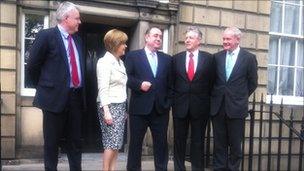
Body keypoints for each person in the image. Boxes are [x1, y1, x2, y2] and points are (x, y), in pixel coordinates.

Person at [27, 1, 84, 171]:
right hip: (53, 99)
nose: (80, 22)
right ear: (66, 18)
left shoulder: (78, 40)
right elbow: (32, 66)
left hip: (75, 98)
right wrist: (46, 88)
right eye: (77, 18)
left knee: (75, 143)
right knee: (52, 144)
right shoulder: (47, 35)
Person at [210, 26, 258, 171]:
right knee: (219, 144)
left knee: (235, 145)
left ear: (237, 39)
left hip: (237, 108)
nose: (225, 41)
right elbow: (212, 81)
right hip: (218, 107)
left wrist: (239, 97)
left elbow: (253, 83)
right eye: (223, 38)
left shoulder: (249, 58)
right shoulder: (217, 57)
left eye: (228, 39)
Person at [125, 27, 172, 171]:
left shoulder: (167, 59)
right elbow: (126, 78)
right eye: (155, 35)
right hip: (139, 108)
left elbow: (171, 83)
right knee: (135, 144)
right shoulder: (133, 56)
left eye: (160, 36)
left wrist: (168, 103)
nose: (158, 38)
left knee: (161, 144)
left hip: (160, 109)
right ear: (146, 37)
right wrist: (139, 85)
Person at [171, 26, 214, 171]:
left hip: (200, 107)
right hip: (180, 106)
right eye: (186, 37)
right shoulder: (176, 59)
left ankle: (197, 168)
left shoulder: (209, 59)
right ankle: (179, 168)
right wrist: (173, 102)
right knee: (179, 140)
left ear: (199, 40)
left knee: (198, 141)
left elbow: (212, 83)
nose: (187, 40)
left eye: (191, 37)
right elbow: (171, 82)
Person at [96, 29, 128, 171]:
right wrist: (107, 112)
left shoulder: (120, 62)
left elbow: (121, 88)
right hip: (109, 105)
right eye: (123, 43)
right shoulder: (104, 62)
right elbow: (103, 89)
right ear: (115, 44)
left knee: (117, 143)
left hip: (120, 106)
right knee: (110, 143)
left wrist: (124, 110)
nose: (125, 46)